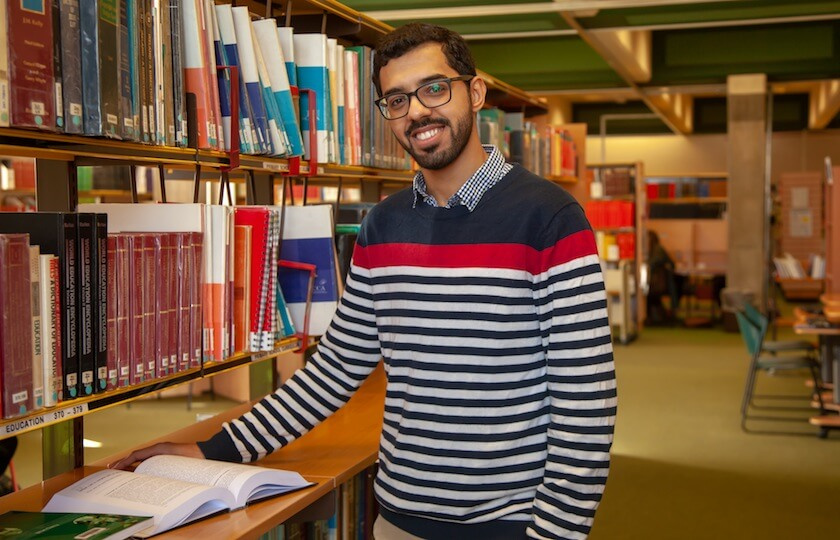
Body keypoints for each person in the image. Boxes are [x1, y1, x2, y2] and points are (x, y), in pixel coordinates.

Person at [114, 23, 616, 539]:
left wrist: (555, 533)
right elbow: (333, 371)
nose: (417, 111)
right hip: (396, 521)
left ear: (476, 92)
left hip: (508, 526)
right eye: (396, 100)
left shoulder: (550, 218)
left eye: (434, 88)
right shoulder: (383, 226)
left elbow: (586, 401)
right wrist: (210, 449)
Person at [646, 230, 679, 325]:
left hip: (657, 285)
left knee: (645, 293)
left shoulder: (657, 250)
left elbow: (651, 265)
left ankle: (650, 318)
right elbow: (672, 264)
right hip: (660, 284)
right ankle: (658, 316)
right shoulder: (656, 249)